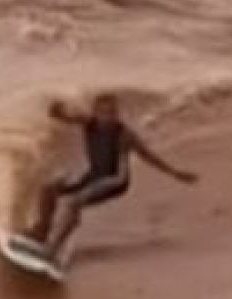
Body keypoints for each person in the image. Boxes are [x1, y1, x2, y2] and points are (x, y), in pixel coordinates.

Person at [21, 92, 197, 266]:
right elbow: (64, 117)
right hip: (94, 174)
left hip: (116, 180)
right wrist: (55, 109)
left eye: (113, 112)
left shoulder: (124, 135)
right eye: (105, 113)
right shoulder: (88, 123)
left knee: (75, 202)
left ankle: (52, 250)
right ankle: (42, 230)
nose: (110, 117)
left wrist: (175, 173)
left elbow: (148, 156)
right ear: (96, 113)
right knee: (48, 188)